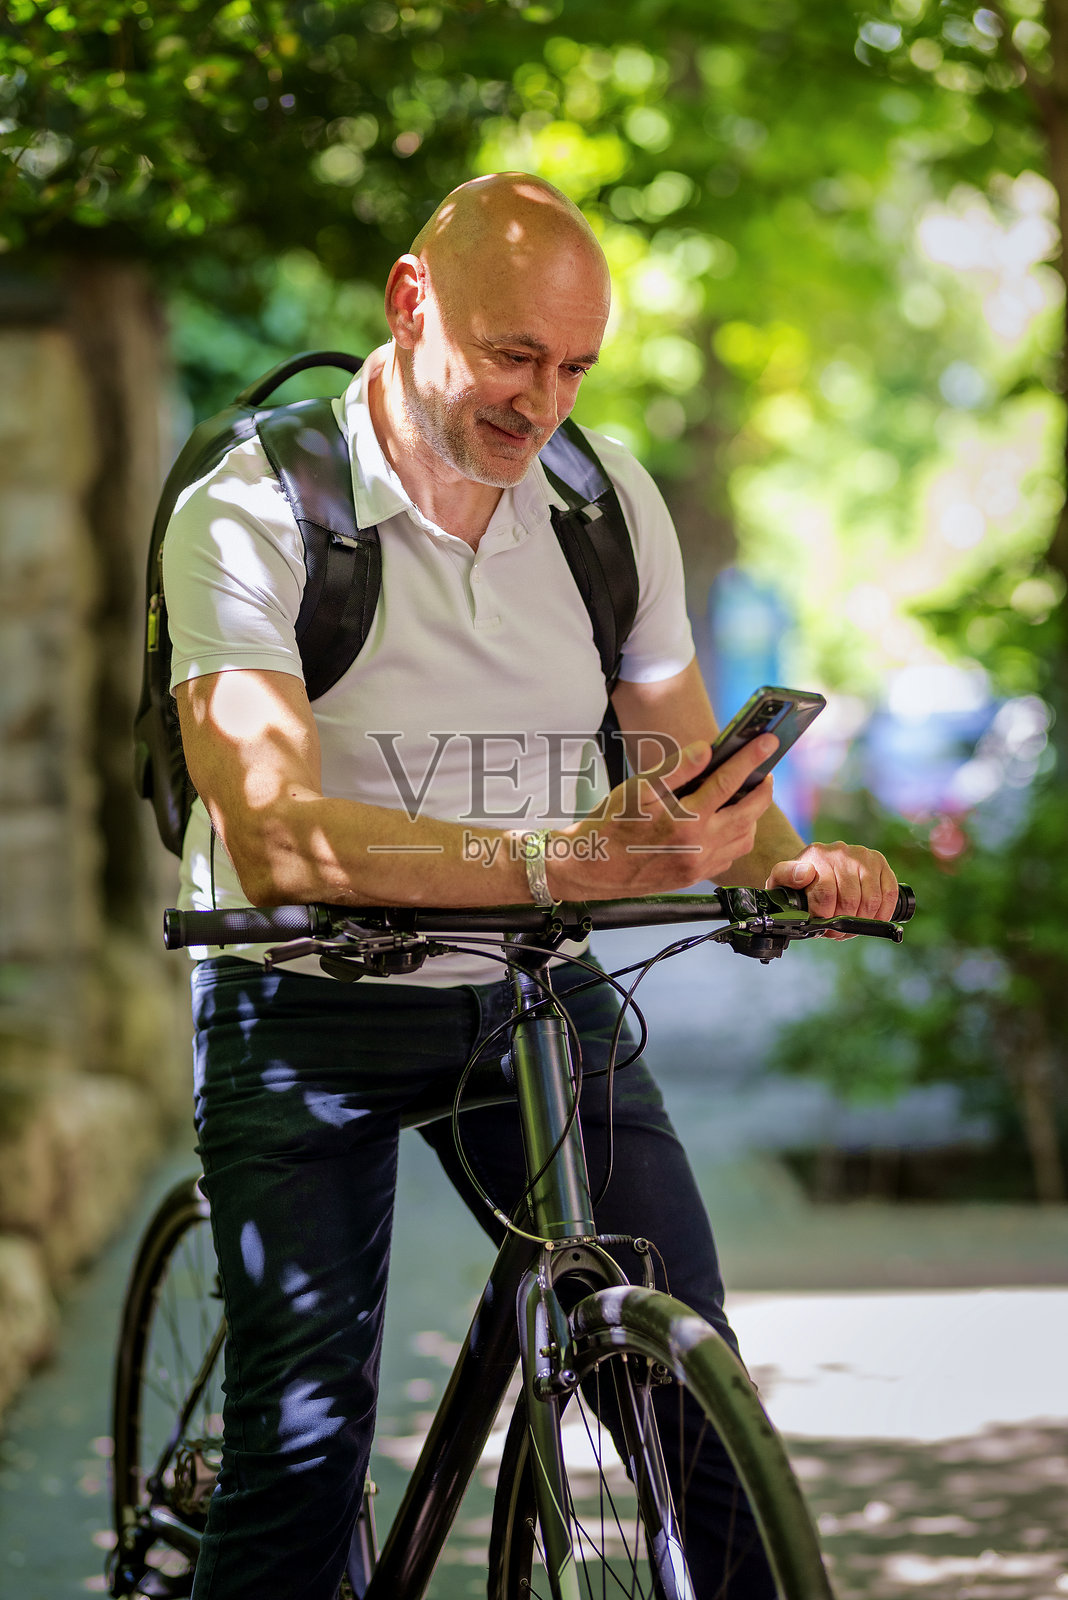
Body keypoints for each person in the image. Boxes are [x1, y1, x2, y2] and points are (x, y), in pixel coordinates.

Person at [165, 171, 898, 1598]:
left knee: (691, 1401)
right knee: (303, 1464)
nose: (544, 400)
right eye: (513, 354)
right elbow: (273, 833)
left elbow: (683, 761)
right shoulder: (252, 508)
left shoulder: (600, 501)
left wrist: (780, 852)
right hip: (299, 998)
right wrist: (559, 858)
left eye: (575, 366)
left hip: (528, 992)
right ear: (409, 301)